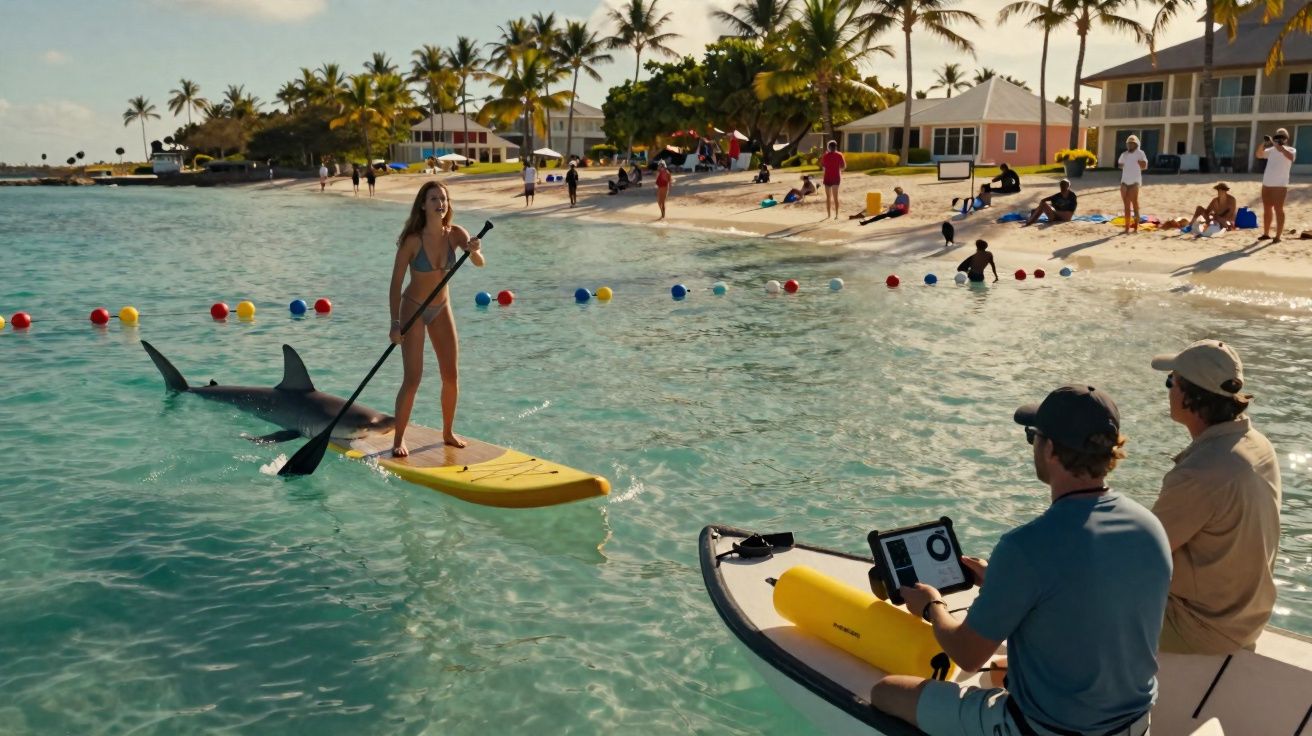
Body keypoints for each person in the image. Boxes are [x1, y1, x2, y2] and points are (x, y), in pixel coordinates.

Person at [869, 385, 1169, 736]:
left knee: (886, 691)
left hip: (1045, 730)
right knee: (1001, 670)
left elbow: (966, 654)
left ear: (1052, 448)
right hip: (1132, 725)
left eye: (1033, 436)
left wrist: (931, 606)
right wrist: (1003, 582)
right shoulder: (1150, 527)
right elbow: (1086, 596)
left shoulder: (1026, 547)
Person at [1149, 340, 1281, 655]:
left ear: (1192, 395)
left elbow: (1142, 554)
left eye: (1172, 381)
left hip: (1199, 627)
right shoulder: (1258, 445)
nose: (1168, 390)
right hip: (1244, 620)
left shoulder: (1200, 473)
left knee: (1078, 602)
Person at [388, 181, 486, 456]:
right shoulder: (412, 240)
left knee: (451, 376)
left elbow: (479, 263)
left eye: (443, 198)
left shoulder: (455, 234)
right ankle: (398, 440)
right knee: (413, 378)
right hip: (414, 309)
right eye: (433, 199)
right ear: (423, 204)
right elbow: (396, 285)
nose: (440, 203)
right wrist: (395, 324)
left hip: (442, 308)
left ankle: (447, 432)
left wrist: (474, 250)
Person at [1256, 127, 1296, 243]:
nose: (1280, 138)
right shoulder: (1271, 150)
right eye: (1278, 136)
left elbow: (1290, 157)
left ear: (1287, 139)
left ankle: (1278, 236)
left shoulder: (1291, 150)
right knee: (1267, 209)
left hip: (1280, 185)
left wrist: (1277, 144)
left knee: (1279, 209)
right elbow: (1259, 155)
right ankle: (1266, 234)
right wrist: (1264, 143)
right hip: (1267, 184)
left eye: (1282, 137)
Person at [1118, 135, 1149, 234]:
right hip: (1124, 182)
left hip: (1135, 182)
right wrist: (1123, 164)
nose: (1130, 145)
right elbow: (1120, 165)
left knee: (1135, 204)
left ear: (1136, 144)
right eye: (1129, 143)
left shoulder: (1140, 153)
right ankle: (1127, 228)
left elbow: (1144, 166)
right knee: (1126, 206)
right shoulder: (1124, 154)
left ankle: (1136, 227)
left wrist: (1140, 163)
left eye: (1132, 143)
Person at [820, 140, 846, 220]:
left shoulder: (825, 155)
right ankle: (837, 215)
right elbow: (843, 166)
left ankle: (829, 215)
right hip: (836, 177)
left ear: (829, 147)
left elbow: (823, 167)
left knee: (828, 197)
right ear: (836, 147)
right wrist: (838, 169)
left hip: (827, 177)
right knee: (835, 197)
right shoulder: (839, 155)